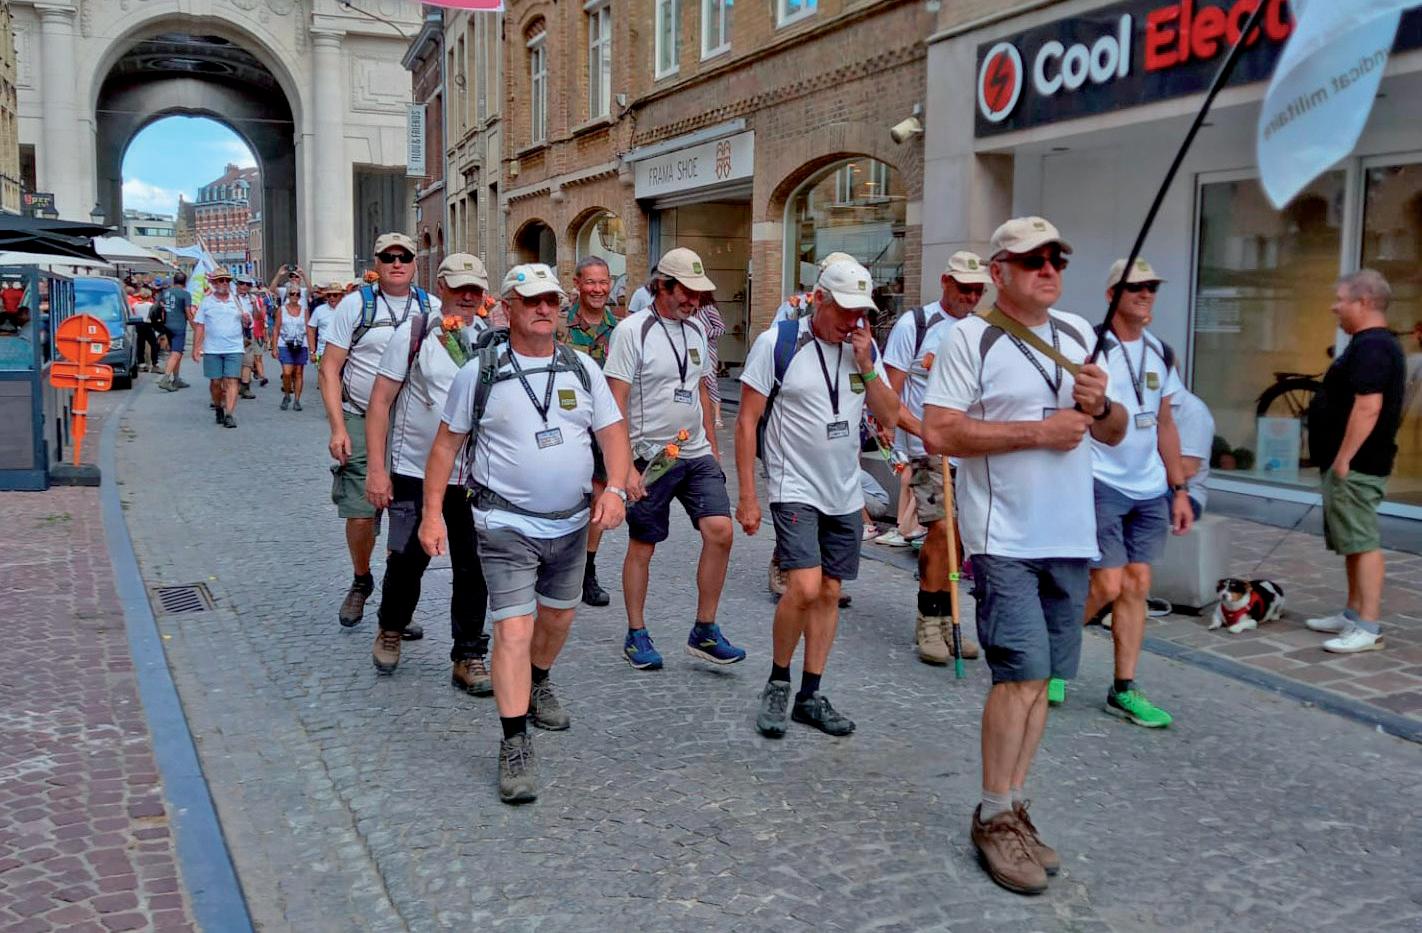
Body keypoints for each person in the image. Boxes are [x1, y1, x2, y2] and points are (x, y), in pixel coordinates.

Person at [922, 216, 1126, 896]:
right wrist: (1038, 433)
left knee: (1043, 681)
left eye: (1056, 259)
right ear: (999, 272)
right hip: (1003, 536)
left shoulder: (1079, 335)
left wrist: (1101, 406)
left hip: (1069, 536)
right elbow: (939, 430)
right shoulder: (969, 338)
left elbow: (1116, 430)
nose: (1048, 269)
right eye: (1033, 259)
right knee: (1018, 675)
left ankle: (1012, 804)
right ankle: (990, 813)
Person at [419, 262, 632, 804]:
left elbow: (612, 433)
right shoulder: (479, 372)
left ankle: (537, 681)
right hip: (504, 523)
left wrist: (615, 489)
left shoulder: (581, 367)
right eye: (532, 300)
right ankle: (514, 741)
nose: (543, 308)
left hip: (572, 524)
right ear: (508, 307)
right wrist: (431, 514)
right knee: (513, 630)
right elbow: (445, 447)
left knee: (558, 619)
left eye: (551, 300)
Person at [736, 257, 898, 738]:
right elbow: (746, 422)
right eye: (846, 310)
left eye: (861, 312)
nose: (853, 320)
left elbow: (889, 415)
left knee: (829, 591)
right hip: (794, 487)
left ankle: (810, 694)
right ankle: (778, 682)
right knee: (804, 588)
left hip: (844, 491)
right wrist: (748, 495)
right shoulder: (778, 343)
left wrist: (867, 367)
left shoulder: (863, 349)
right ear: (819, 299)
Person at [605, 247, 746, 671]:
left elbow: (700, 387)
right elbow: (615, 401)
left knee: (721, 531)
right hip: (651, 456)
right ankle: (636, 632)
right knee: (643, 545)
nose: (694, 300)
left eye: (699, 294)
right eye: (687, 292)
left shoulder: (697, 329)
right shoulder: (632, 331)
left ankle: (705, 629)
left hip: (695, 450)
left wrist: (714, 448)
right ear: (662, 286)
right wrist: (623, 468)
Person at [1066, 258, 1192, 729]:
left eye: (1151, 287)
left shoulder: (1161, 352)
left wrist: (1179, 489)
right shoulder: (1093, 349)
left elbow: (1165, 423)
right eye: (1135, 287)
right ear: (1111, 294)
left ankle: (1123, 688)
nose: (1145, 294)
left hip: (1149, 486)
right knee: (1107, 585)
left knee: (1138, 584)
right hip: (1101, 480)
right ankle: (1056, 654)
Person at [365, 253, 491, 694]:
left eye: (475, 289)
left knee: (474, 566)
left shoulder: (490, 338)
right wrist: (377, 469)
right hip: (413, 471)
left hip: (472, 476)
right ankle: (391, 626)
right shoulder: (414, 333)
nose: (468, 296)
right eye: (459, 288)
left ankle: (468, 654)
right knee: (407, 558)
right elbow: (380, 402)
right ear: (441, 287)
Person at [320, 233, 434, 629]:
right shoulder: (356, 305)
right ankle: (361, 579)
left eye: (404, 257)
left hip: (411, 426)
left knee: (406, 514)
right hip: (360, 414)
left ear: (415, 263)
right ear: (377, 263)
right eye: (388, 257)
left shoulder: (432, 308)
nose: (397, 263)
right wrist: (338, 428)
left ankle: (394, 604)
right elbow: (329, 368)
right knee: (361, 511)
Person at [883, 251, 989, 665]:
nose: (972, 297)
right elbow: (889, 396)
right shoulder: (916, 324)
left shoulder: (983, 331)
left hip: (970, 453)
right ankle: (929, 619)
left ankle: (948, 618)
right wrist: (924, 432)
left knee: (959, 538)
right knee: (942, 531)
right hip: (927, 450)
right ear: (946, 281)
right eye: (965, 288)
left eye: (978, 290)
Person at [1305, 269, 1406, 654]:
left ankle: (1368, 626)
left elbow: (1368, 407)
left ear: (1363, 302)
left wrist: (1344, 459)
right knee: (1350, 540)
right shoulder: (1368, 344)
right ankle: (1352, 613)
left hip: (1358, 464)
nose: (1335, 307)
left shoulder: (1374, 347)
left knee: (1362, 542)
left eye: (1341, 299)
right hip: (1348, 462)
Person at [558, 256, 620, 607]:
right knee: (565, 495)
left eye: (603, 282)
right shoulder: (561, 327)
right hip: (565, 425)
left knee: (599, 496)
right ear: (578, 283)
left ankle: (587, 569)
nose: (598, 289)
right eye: (591, 282)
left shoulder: (620, 329)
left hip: (603, 426)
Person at [191, 267, 246, 428]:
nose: (224, 283)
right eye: (221, 280)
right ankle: (218, 407)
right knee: (216, 382)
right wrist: (196, 347)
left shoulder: (237, 300)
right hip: (212, 349)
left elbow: (249, 321)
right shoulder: (207, 302)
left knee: (232, 380)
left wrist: (247, 320)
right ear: (214, 283)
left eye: (227, 280)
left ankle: (229, 414)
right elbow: (200, 326)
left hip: (234, 347)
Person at [1170, 387, 1214, 520]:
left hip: (1186, 495)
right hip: (1147, 489)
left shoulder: (1193, 410)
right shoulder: (1148, 403)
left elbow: (1187, 469)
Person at [273, 288, 310, 411]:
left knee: (298, 372)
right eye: (292, 293)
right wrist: (274, 347)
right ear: (288, 295)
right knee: (287, 372)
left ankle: (297, 400)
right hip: (285, 343)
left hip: (301, 343)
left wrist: (312, 349)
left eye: (297, 294)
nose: (295, 296)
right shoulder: (282, 310)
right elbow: (276, 328)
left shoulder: (304, 310)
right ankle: (287, 394)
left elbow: (309, 329)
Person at [157, 272, 193, 392]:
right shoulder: (185, 294)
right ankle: (165, 379)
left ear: (174, 281)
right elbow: (188, 312)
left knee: (176, 353)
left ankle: (176, 379)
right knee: (176, 353)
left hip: (167, 324)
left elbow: (161, 307)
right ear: (185, 282)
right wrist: (194, 326)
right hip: (179, 326)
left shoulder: (166, 292)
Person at [307, 283, 343, 400]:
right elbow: (311, 329)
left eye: (335, 295)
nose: (332, 297)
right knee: (325, 377)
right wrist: (312, 351)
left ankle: (337, 402)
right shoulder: (319, 310)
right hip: (323, 350)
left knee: (339, 378)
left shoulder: (347, 309)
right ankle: (329, 402)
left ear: (341, 296)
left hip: (342, 350)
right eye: (329, 295)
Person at [694, 296, 726, 427]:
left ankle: (717, 416)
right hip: (692, 350)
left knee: (710, 380)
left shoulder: (708, 309)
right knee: (694, 378)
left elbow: (721, 328)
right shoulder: (689, 309)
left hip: (708, 350)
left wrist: (705, 333)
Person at [236, 277, 265, 399]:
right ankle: (231, 386)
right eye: (241, 283)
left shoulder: (251, 298)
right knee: (235, 360)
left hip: (248, 332)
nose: (244, 286)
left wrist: (254, 305)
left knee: (248, 361)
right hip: (235, 332)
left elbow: (258, 317)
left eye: (247, 284)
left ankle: (245, 387)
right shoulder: (232, 298)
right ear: (237, 284)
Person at [132, 288, 161, 373]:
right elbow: (154, 317)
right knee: (154, 344)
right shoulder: (150, 305)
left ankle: (141, 364)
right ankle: (155, 363)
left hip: (138, 325)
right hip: (148, 325)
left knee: (140, 345)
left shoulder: (135, 305)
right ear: (149, 296)